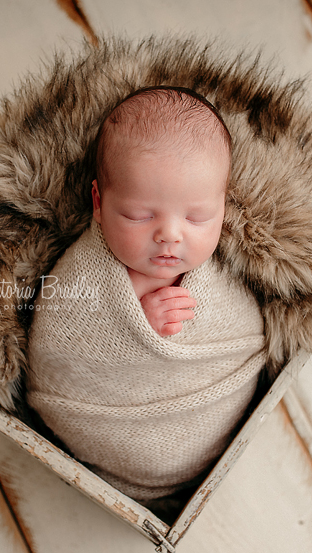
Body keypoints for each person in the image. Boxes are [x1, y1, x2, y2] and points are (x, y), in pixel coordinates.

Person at [26, 87, 267, 504]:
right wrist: (131, 327)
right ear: (98, 203)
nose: (170, 235)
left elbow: (242, 327)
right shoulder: (82, 276)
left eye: (197, 217)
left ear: (223, 209)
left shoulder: (224, 267)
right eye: (139, 215)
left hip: (221, 420)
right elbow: (59, 340)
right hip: (111, 429)